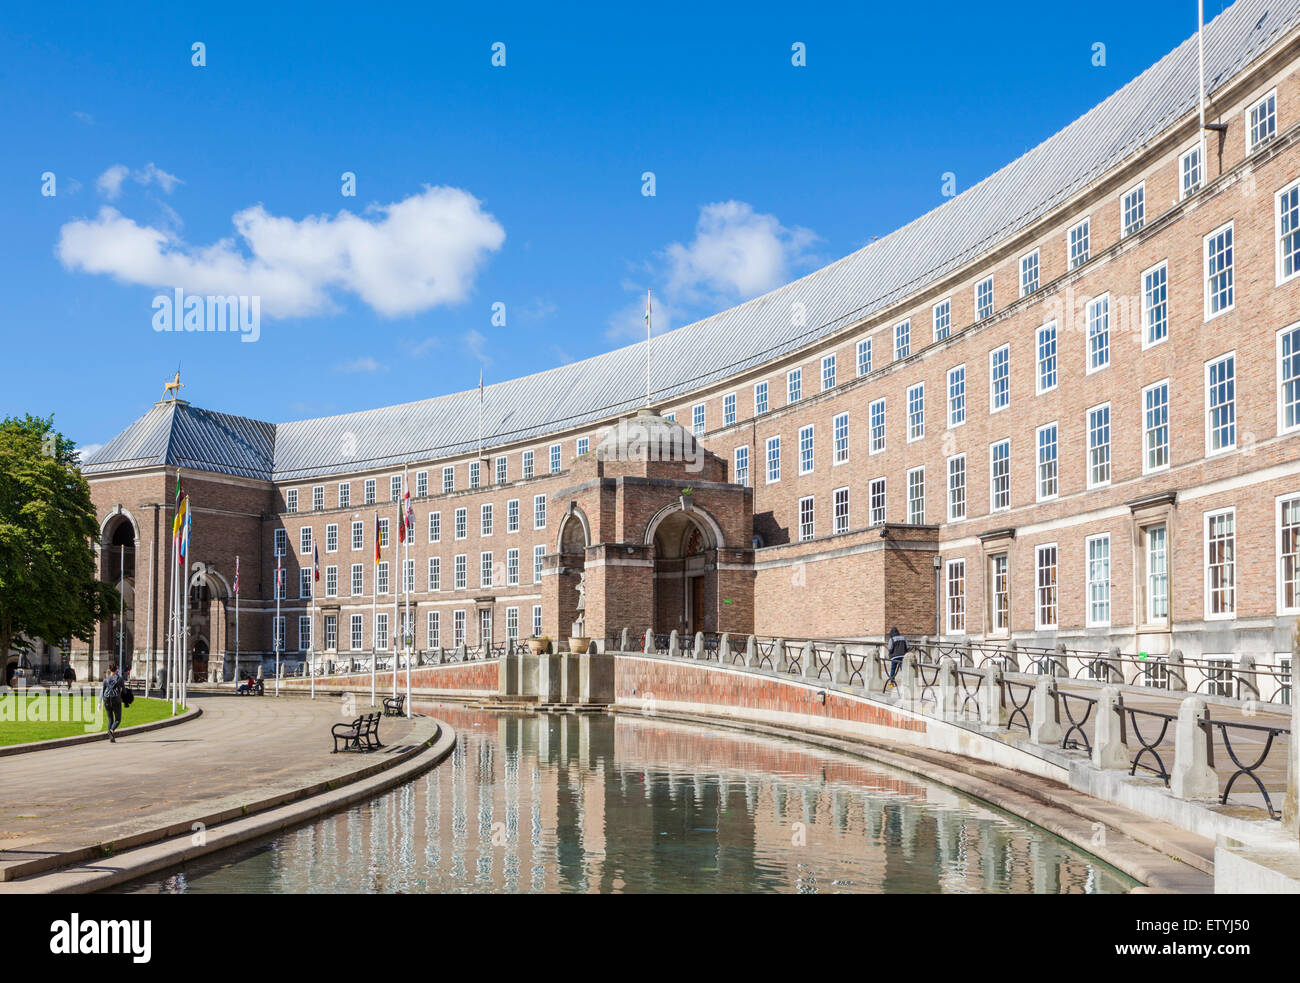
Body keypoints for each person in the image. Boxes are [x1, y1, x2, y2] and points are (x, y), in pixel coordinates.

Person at [102, 662, 124, 743]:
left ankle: (111, 737)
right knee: (118, 719)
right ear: (116, 669)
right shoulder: (120, 679)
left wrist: (99, 703)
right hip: (116, 700)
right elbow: (124, 691)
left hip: (106, 700)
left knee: (110, 719)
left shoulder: (105, 679)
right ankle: (111, 731)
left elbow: (103, 691)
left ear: (110, 669)